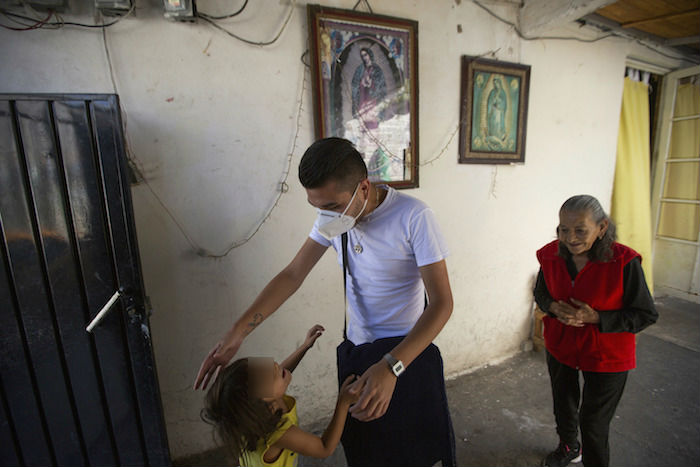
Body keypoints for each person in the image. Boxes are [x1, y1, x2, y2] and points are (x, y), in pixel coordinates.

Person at [195, 137, 455, 466]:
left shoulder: (414, 217)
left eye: (332, 206)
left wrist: (392, 367)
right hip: (359, 351)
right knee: (366, 450)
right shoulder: (335, 218)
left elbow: (442, 304)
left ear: (363, 187)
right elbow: (293, 274)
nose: (324, 216)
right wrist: (238, 332)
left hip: (406, 354)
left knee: (414, 451)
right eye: (317, 207)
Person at [534, 195, 658, 467]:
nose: (571, 238)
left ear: (602, 227)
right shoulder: (550, 255)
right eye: (563, 229)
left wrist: (598, 318)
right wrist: (554, 307)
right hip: (561, 345)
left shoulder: (624, 262)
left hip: (607, 354)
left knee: (593, 422)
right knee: (563, 405)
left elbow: (646, 314)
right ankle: (568, 447)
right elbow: (541, 292)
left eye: (581, 230)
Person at [201, 324, 358, 467]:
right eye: (269, 374)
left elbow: (282, 371)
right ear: (264, 403)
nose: (274, 365)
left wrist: (304, 347)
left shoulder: (247, 417)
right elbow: (324, 447)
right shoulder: (279, 434)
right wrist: (343, 403)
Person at [351, 47, 387, 130]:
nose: (364, 57)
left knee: (371, 119)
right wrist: (362, 83)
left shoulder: (377, 69)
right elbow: (355, 83)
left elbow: (381, 85)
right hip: (362, 97)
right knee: (362, 119)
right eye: (362, 56)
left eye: (365, 55)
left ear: (369, 55)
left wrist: (371, 84)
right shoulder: (360, 69)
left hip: (372, 99)